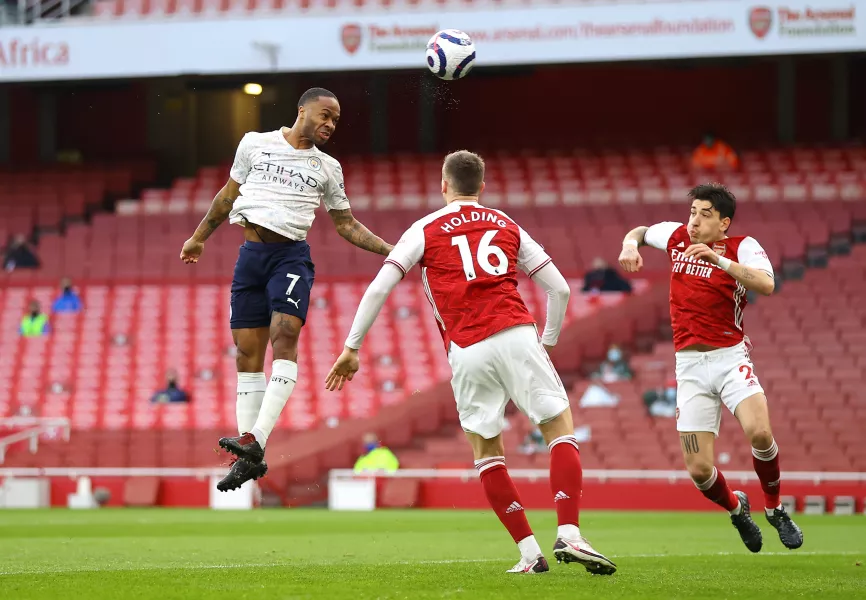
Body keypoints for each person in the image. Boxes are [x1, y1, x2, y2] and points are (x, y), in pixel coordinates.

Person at [326, 150, 616, 576]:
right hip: (516, 332)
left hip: (465, 348)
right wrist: (547, 342)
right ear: (482, 186)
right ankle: (569, 532)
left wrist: (351, 347)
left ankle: (530, 552)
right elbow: (559, 290)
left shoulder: (424, 228)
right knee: (558, 429)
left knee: (487, 451)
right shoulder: (505, 223)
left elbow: (379, 287)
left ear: (444, 185)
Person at [179, 88, 393, 492]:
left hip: (290, 258)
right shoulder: (254, 144)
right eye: (325, 115)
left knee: (284, 337)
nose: (330, 125)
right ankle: (248, 453)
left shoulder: (327, 167)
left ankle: (256, 438)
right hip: (250, 258)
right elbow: (227, 197)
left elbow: (345, 224)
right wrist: (198, 238)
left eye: (336, 121)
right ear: (302, 110)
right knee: (246, 353)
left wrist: (392, 250)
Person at [618, 182, 802, 553]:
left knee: (761, 433)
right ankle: (737, 510)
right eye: (692, 213)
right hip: (689, 367)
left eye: (704, 215)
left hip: (729, 358)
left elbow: (766, 284)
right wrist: (628, 245)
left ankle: (775, 507)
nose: (694, 222)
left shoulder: (742, 246)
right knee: (700, 471)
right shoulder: (675, 237)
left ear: (724, 223)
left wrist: (719, 260)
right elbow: (639, 231)